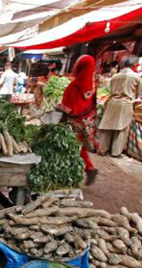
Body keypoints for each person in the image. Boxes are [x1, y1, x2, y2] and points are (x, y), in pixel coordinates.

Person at [56, 55, 99, 185]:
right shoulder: (92, 83)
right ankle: (86, 168)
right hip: (85, 122)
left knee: (70, 147)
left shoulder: (76, 84)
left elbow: (71, 108)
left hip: (74, 122)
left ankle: (79, 171)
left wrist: (59, 107)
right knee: (79, 147)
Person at [98, 56, 142, 157]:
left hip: (112, 102)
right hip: (125, 103)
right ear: (134, 65)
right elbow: (137, 94)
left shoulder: (115, 76)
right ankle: (115, 152)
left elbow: (111, 89)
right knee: (121, 128)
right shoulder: (136, 77)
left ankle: (102, 149)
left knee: (107, 127)